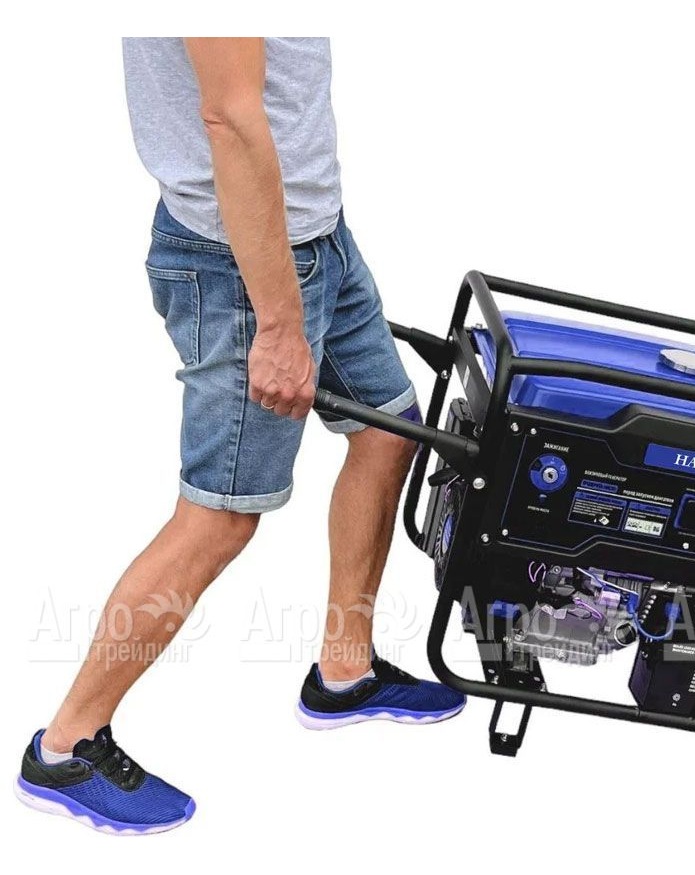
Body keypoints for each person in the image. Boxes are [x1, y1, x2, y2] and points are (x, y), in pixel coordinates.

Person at [15, 37, 465, 835]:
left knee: (390, 427)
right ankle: (66, 745)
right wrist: (280, 325)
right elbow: (227, 114)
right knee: (219, 514)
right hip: (244, 266)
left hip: (316, 236)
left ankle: (344, 669)